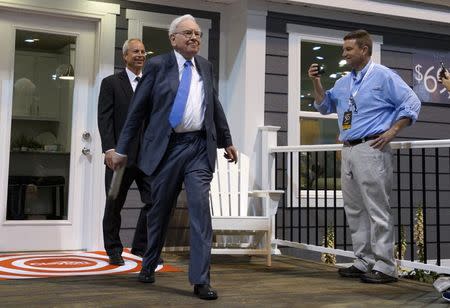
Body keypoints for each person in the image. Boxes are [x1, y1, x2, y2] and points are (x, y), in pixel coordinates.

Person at [111, 14, 237, 300]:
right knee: (159, 210)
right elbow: (137, 112)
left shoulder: (205, 66)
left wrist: (227, 139)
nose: (194, 38)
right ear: (173, 39)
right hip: (167, 149)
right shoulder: (157, 65)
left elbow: (213, 104)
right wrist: (121, 149)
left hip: (198, 149)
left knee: (200, 212)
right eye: (188, 33)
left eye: (198, 34)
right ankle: (148, 263)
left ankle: (201, 280)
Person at [308, 29, 421, 284]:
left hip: (372, 148)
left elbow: (412, 102)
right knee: (355, 209)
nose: (344, 54)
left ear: (364, 50)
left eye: (348, 49)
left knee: (377, 208)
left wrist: (393, 131)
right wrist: (315, 81)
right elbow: (324, 106)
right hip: (347, 149)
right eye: (344, 49)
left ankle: (385, 266)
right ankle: (364, 261)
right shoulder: (343, 82)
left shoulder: (383, 76)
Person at [98, 38, 154, 266]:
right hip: (119, 157)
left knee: (154, 201)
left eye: (143, 51)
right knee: (114, 203)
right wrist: (109, 149)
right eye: (135, 51)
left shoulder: (151, 83)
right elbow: (105, 119)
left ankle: (141, 247)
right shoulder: (111, 83)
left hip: (147, 157)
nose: (140, 55)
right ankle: (113, 249)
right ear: (125, 56)